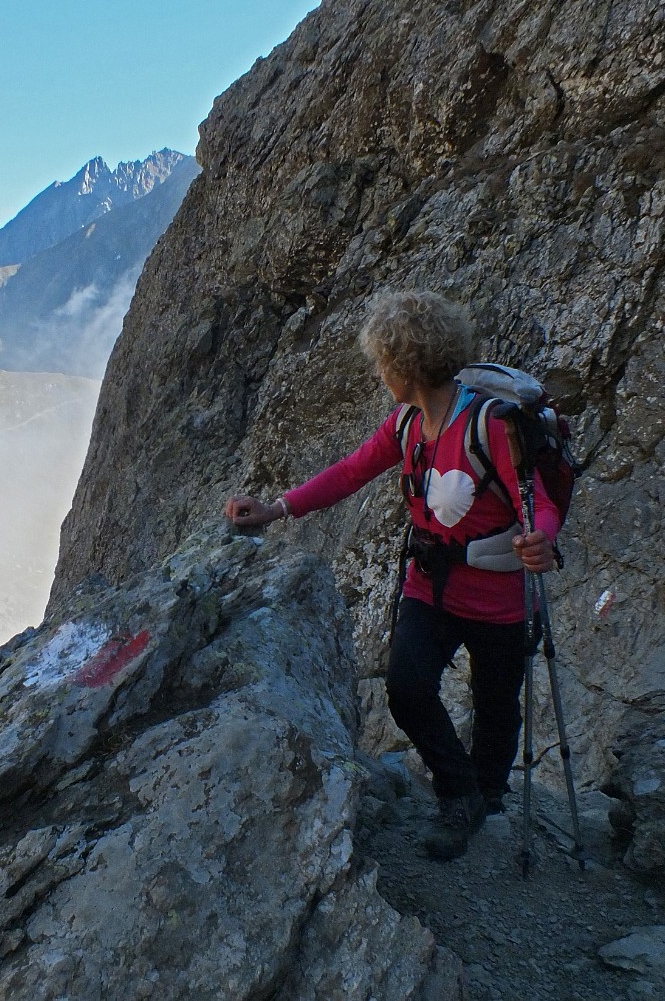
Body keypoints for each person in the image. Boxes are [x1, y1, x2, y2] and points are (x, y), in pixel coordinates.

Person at [224, 288, 558, 861]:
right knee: (406, 689)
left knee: (497, 705)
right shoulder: (407, 425)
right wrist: (278, 508)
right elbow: (350, 472)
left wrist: (542, 539)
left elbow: (541, 502)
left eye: (384, 363)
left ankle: (487, 792)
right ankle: (461, 796)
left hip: (499, 594)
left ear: (405, 366)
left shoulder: (489, 426)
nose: (381, 373)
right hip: (430, 583)